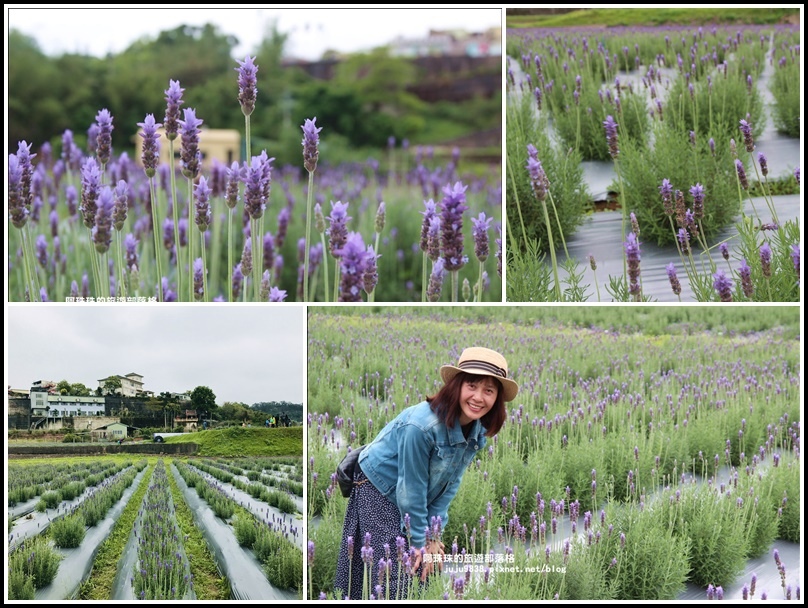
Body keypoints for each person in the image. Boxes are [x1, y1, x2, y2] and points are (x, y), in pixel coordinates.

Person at [334, 347, 519, 600]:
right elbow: (412, 488)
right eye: (472, 386)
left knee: (426, 566)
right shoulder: (422, 426)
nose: (478, 397)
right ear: (457, 386)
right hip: (378, 486)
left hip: (411, 494)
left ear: (497, 399)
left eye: (489, 390)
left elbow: (449, 486)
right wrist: (420, 541)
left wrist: (433, 536)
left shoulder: (475, 432)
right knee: (390, 572)